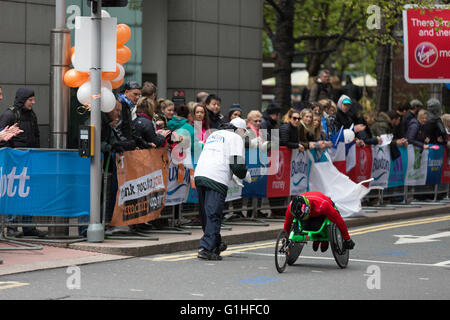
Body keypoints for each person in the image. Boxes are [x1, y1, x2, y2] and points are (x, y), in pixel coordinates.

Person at [194, 117, 251, 260]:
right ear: (239, 130)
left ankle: (215, 243)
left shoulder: (214, 134)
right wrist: (244, 174)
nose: (244, 135)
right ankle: (206, 248)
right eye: (244, 132)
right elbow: (237, 165)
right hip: (217, 176)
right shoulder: (236, 138)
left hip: (200, 174)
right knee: (214, 214)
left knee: (206, 214)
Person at [0, 87, 46, 237]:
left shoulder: (31, 115)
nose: (33, 102)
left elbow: (36, 136)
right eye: (30, 99)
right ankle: (11, 227)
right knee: (13, 192)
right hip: (14, 162)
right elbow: (3, 139)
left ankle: (28, 226)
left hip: (30, 160)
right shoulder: (10, 114)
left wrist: (37, 156)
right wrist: (10, 157)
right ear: (23, 99)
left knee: (29, 193)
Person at [283, 192, 355, 252]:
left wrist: (347, 239)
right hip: (310, 212)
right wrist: (285, 238)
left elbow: (339, 220)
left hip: (321, 210)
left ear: (308, 208)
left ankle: (323, 240)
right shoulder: (291, 207)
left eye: (305, 215)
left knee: (322, 224)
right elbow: (287, 223)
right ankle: (316, 238)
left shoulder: (323, 205)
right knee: (305, 225)